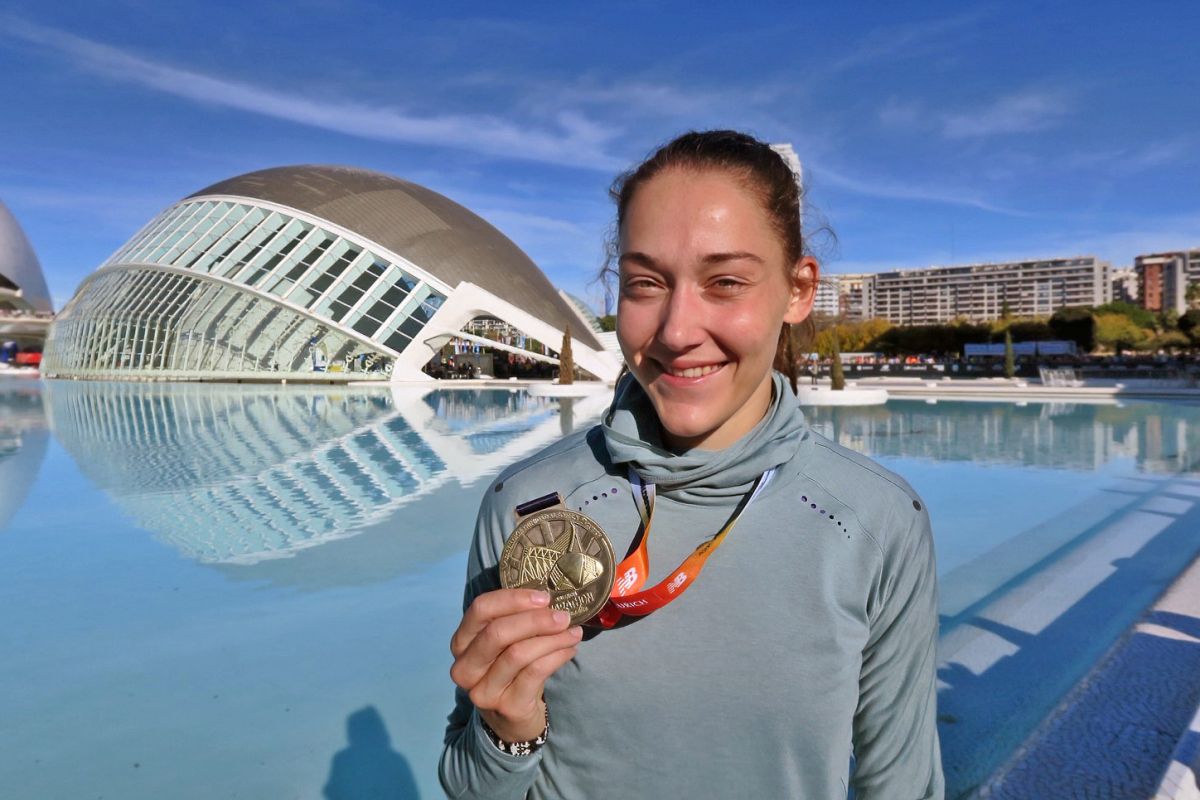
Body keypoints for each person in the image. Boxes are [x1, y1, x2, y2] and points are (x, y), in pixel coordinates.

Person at [439, 130, 943, 799]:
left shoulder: (878, 522)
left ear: (798, 290)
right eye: (645, 283)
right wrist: (509, 729)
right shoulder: (529, 503)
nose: (677, 331)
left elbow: (902, 787)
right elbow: (469, 786)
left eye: (725, 282)